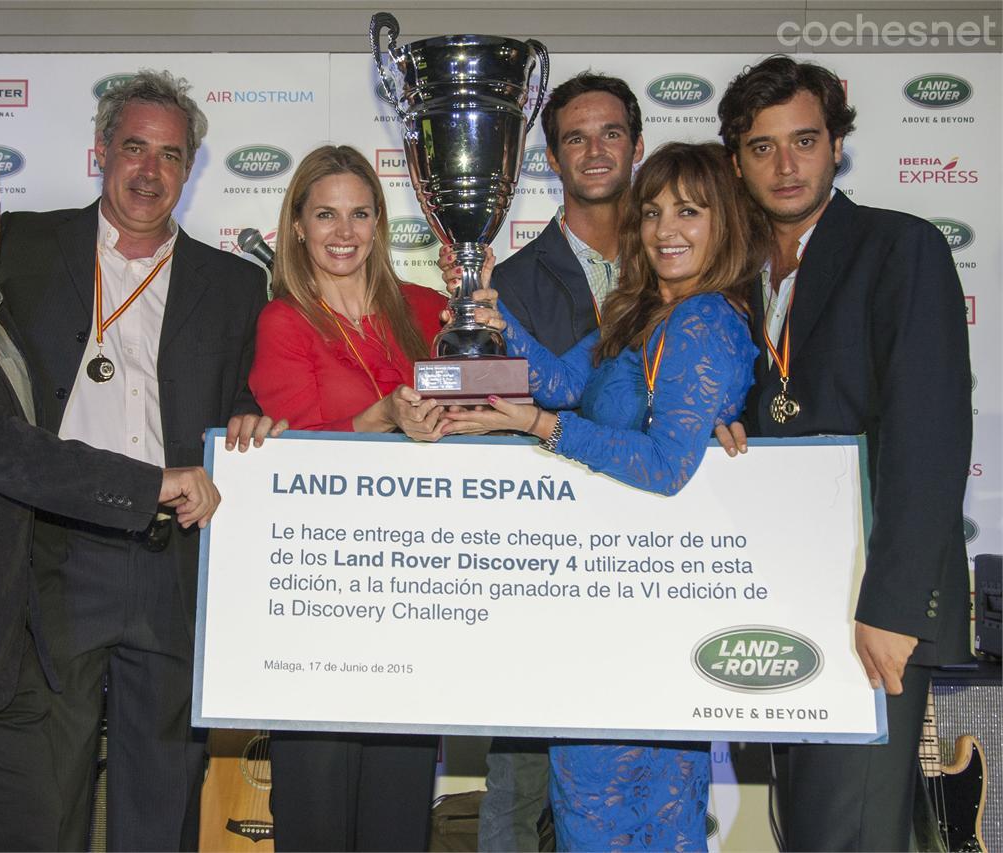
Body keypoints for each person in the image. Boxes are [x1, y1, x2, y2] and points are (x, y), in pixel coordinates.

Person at [0, 71, 275, 851]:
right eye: (133, 146)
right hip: (49, 562)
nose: (149, 170)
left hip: (171, 564)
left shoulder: (238, 283)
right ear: (101, 151)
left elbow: (246, 393)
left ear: (191, 168)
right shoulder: (16, 241)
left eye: (170, 155)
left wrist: (251, 415)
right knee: (44, 798)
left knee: (161, 796)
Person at [442, 141, 769, 850]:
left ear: (727, 223)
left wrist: (538, 427)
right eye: (651, 212)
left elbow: (665, 466)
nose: (664, 229)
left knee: (635, 821)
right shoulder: (645, 311)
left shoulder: (706, 319)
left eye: (688, 210)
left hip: (653, 607)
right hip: (607, 603)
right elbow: (562, 380)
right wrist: (497, 320)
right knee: (587, 808)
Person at [714, 55, 972, 851]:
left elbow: (929, 437)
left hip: (871, 606)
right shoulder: (727, 272)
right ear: (737, 161)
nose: (786, 165)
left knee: (849, 835)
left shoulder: (901, 248)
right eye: (763, 147)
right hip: (775, 600)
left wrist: (893, 608)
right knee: (805, 832)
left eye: (805, 141)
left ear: (836, 146)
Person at [439, 70, 644, 852]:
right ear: (552, 160)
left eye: (611, 133)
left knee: (652, 769)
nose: (595, 151)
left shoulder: (683, 266)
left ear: (637, 144)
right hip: (545, 564)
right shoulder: (509, 284)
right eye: (575, 139)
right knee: (520, 785)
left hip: (668, 557)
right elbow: (487, 413)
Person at [247, 145, 447, 850]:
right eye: (325, 212)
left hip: (416, 591)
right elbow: (297, 461)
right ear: (296, 225)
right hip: (321, 597)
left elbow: (488, 420)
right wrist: (382, 418)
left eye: (360, 213)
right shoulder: (284, 321)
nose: (343, 230)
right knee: (317, 816)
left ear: (379, 223)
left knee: (398, 818)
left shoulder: (430, 310)